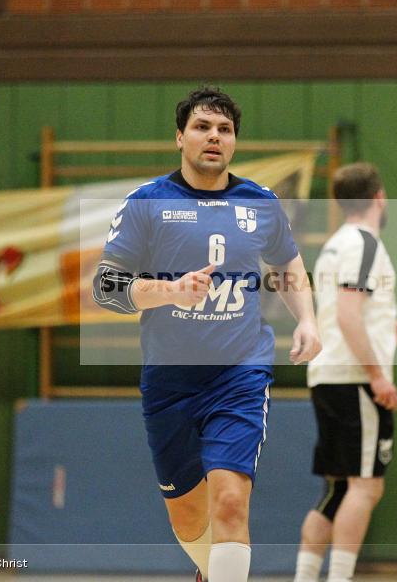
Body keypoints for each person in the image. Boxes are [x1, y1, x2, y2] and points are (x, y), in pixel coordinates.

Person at [93, 85, 321, 582]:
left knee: (231, 502)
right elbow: (105, 288)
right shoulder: (147, 202)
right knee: (188, 519)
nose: (214, 136)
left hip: (239, 373)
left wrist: (307, 318)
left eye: (224, 129)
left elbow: (287, 264)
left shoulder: (259, 201)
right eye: (202, 127)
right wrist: (169, 291)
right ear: (180, 137)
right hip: (169, 380)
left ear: (234, 141)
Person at [294, 163, 397, 582]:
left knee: (339, 488)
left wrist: (387, 323)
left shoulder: (336, 244)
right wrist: (377, 375)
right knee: (366, 486)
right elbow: (346, 314)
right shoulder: (364, 244)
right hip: (353, 379)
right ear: (379, 197)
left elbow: (345, 308)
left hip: (329, 375)